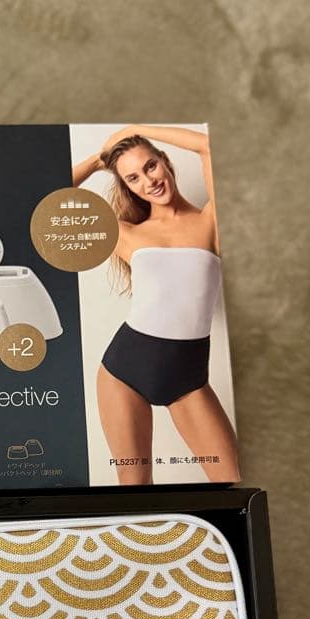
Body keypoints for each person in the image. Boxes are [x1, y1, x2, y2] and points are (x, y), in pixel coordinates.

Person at [72, 125, 239, 485]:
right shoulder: (126, 233)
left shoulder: (210, 221)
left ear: (165, 160)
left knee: (230, 482)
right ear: (127, 187)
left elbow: (208, 147)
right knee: (135, 488)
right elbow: (47, 204)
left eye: (150, 166)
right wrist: (100, 161)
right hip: (123, 372)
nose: (148, 181)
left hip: (189, 378)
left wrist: (134, 129)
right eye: (132, 178)